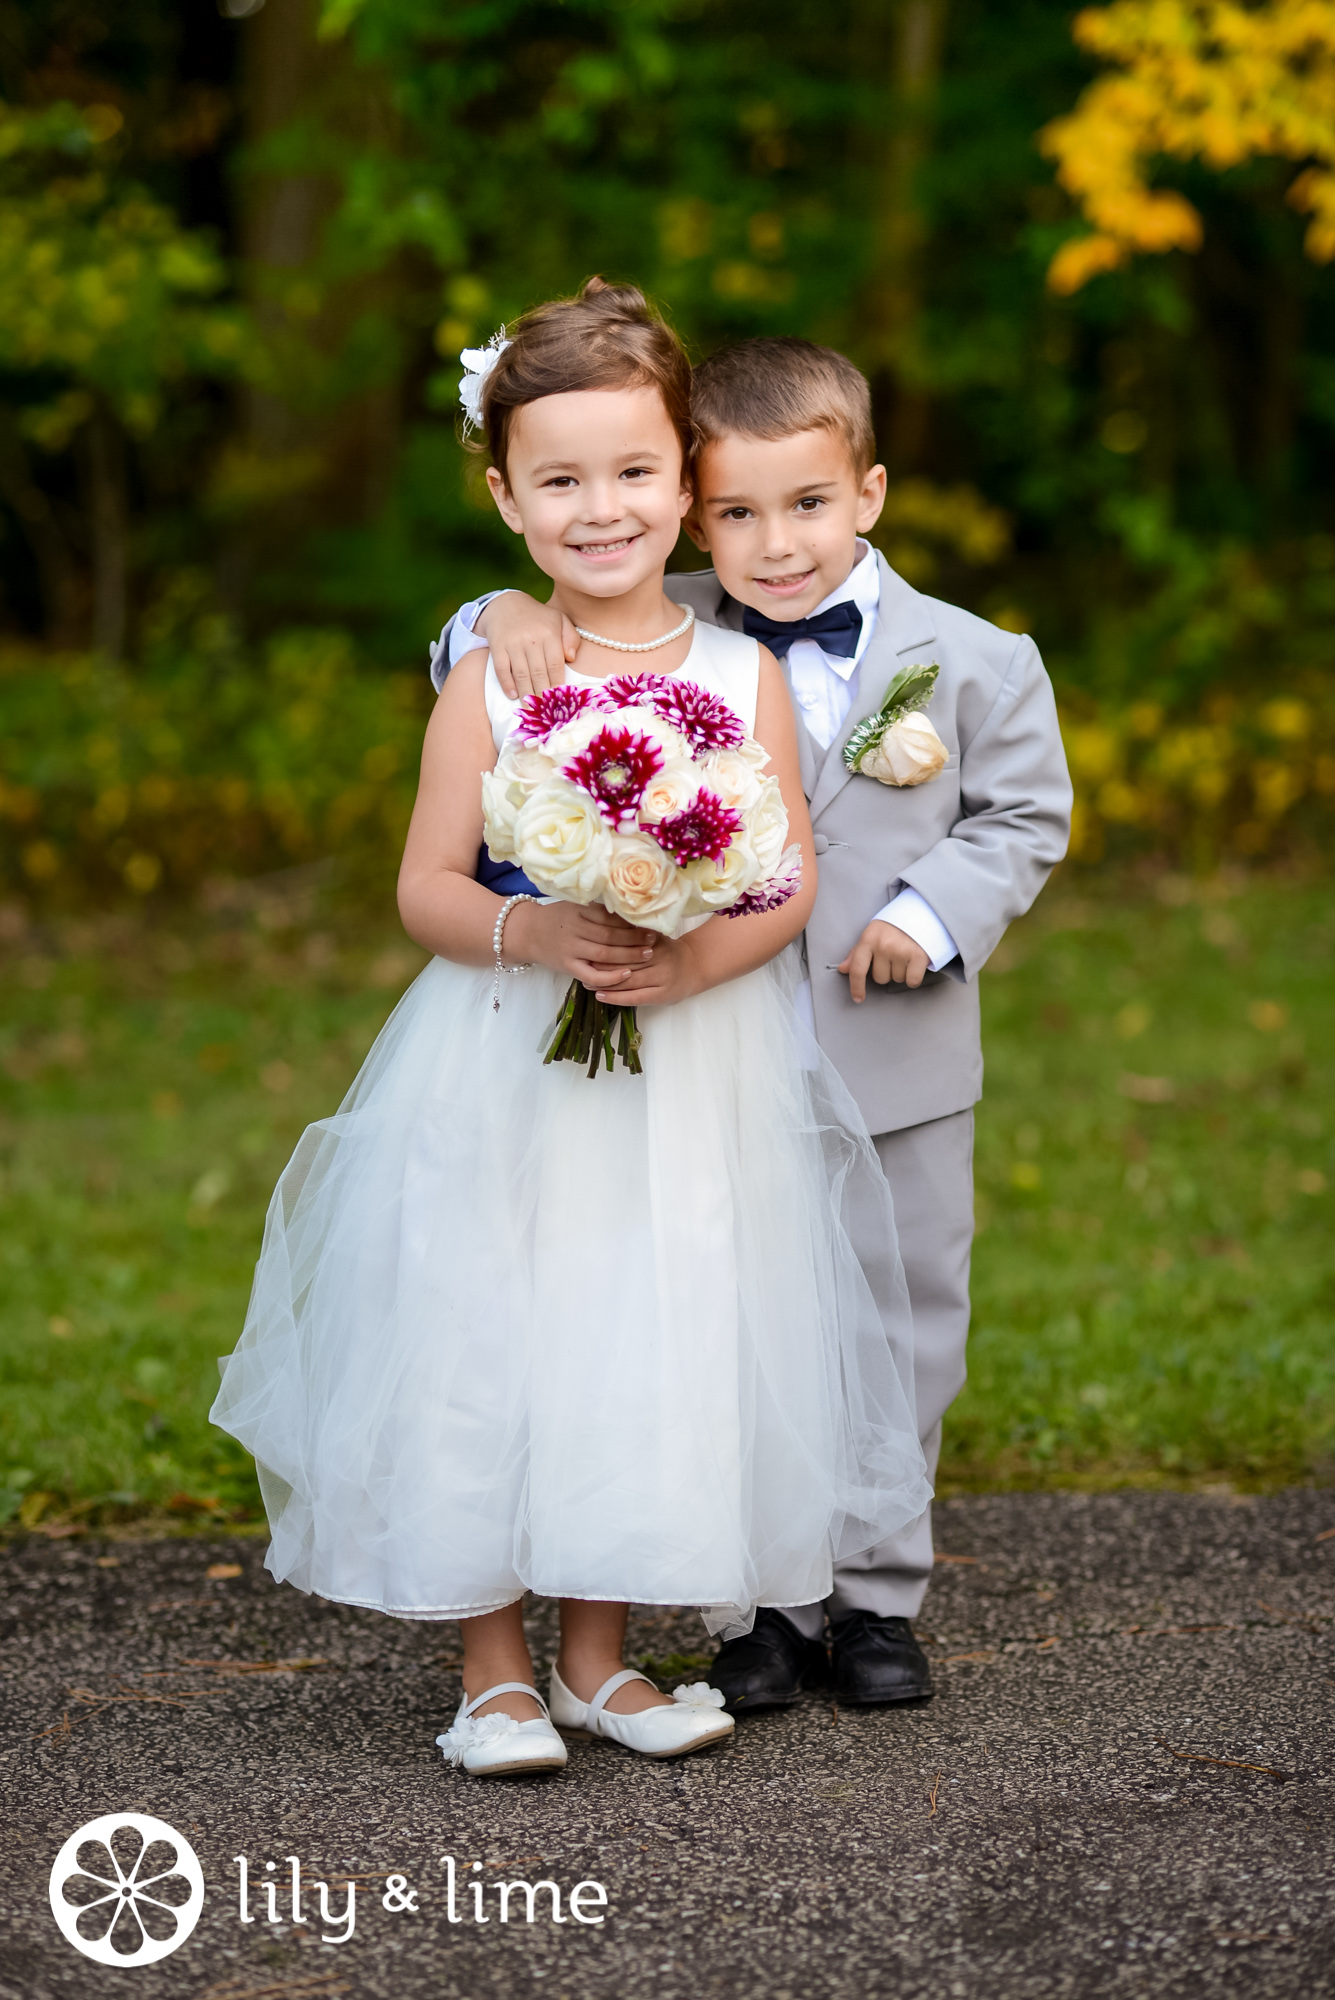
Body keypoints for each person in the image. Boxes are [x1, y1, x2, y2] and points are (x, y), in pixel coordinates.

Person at [211, 287, 928, 1779]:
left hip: (690, 1060)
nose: (601, 510)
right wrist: (531, 926)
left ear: (686, 478)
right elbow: (422, 883)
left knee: (642, 1334)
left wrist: (691, 956)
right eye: (559, 481)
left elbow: (783, 878)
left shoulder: (740, 676)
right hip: (503, 1056)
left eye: (634, 474)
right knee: (497, 1324)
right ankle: (494, 1674)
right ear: (505, 500)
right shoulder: (493, 673)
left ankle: (598, 1658)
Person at [435, 334, 1072, 1713]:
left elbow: (1024, 815)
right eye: (732, 513)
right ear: (688, 513)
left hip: (886, 1051)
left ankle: (875, 1598)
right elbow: (538, 602)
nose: (772, 545)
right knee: (727, 1316)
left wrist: (932, 913)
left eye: (807, 506)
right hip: (698, 1061)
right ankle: (759, 1602)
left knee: (897, 1319)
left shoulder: (974, 658)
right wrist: (492, 612)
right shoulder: (673, 627)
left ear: (873, 493)